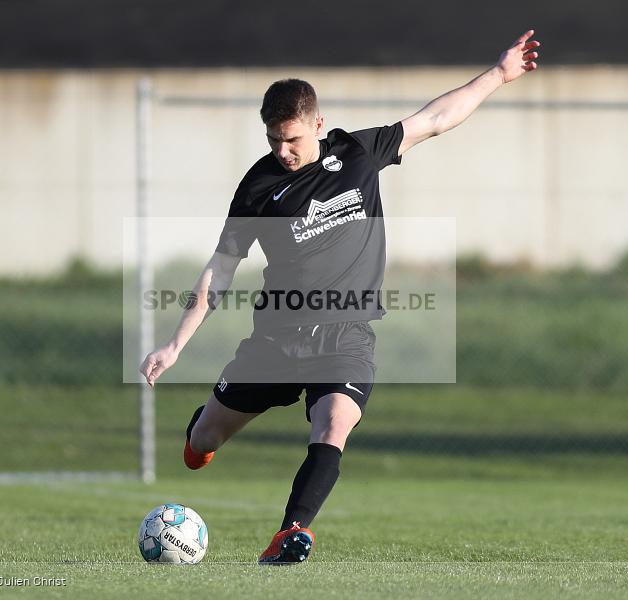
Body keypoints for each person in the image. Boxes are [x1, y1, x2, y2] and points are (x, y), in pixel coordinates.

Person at [140, 30, 541, 565]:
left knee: (333, 425)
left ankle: (290, 534)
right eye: (273, 141)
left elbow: (435, 119)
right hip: (275, 341)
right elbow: (221, 266)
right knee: (205, 441)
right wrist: (174, 345)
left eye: (292, 140)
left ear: (317, 126)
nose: (283, 152)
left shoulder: (357, 153)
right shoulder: (258, 188)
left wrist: (498, 74)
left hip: (345, 337)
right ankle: (200, 432)